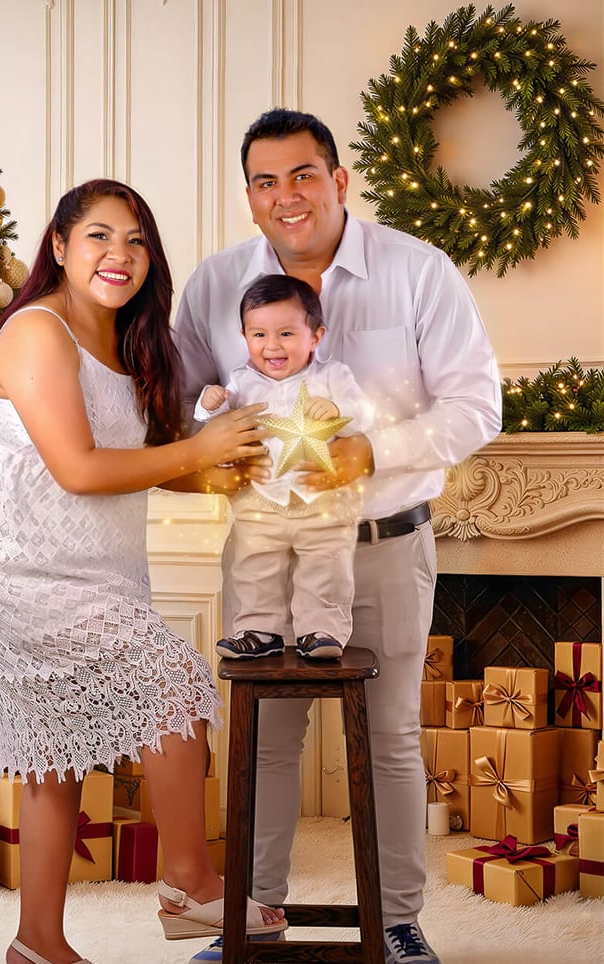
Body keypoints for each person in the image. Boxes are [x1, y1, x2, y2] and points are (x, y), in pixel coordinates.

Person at [174, 110, 502, 964]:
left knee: (391, 734)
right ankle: (253, 913)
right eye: (265, 181)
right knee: (264, 740)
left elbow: (476, 405)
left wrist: (372, 448)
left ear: (339, 178)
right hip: (265, 549)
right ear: (248, 196)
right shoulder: (212, 287)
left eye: (304, 175)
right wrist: (206, 445)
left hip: (386, 543)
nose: (287, 196)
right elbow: (171, 400)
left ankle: (396, 920)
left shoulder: (417, 271)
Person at [0, 178, 287, 964]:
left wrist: (219, 465)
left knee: (54, 753)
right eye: (99, 236)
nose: (120, 254)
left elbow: (147, 460)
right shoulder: (37, 332)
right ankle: (187, 879)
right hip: (21, 566)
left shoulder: (133, 340)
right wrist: (196, 451)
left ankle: (37, 944)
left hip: (97, 564)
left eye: (136, 240)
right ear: (61, 248)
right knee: (171, 680)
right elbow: (76, 466)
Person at [194, 273, 374, 661]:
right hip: (260, 497)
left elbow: (365, 414)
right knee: (254, 565)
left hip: (321, 496)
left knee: (326, 563)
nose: (271, 346)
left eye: (287, 334)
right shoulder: (242, 382)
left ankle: (322, 628)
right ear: (244, 337)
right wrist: (210, 403)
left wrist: (340, 411)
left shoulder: (333, 377)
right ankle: (258, 629)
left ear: (316, 336)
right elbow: (219, 424)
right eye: (258, 335)